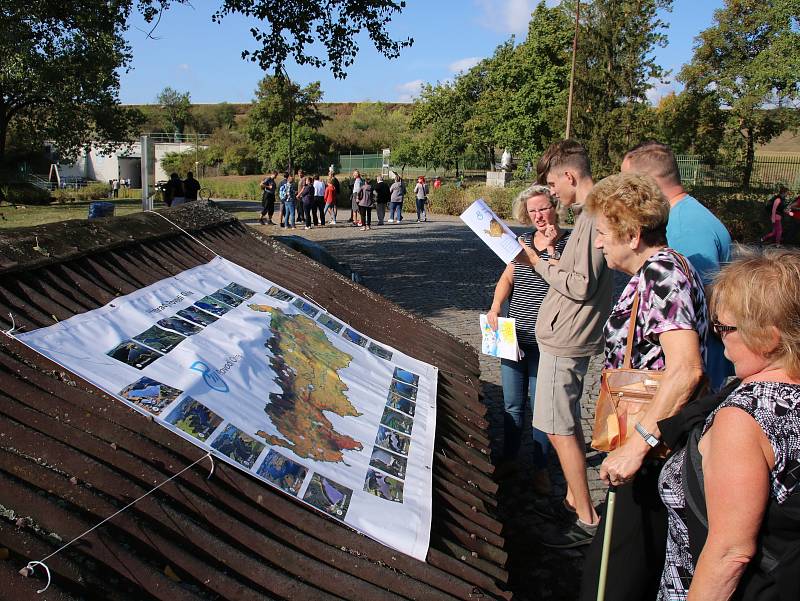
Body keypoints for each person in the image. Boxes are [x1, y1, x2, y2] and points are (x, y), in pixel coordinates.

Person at [579, 172, 709, 601]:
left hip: (652, 453)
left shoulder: (662, 274)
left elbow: (686, 369)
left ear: (632, 234)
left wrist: (636, 445)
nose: (598, 243)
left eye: (602, 233)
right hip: (648, 447)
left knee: (615, 579)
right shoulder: (663, 269)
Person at [657, 249, 800, 600]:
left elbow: (729, 555)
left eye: (724, 328)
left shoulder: (746, 416)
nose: (719, 340)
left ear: (768, 336)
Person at [517, 139, 613, 549]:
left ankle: (587, 518)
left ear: (570, 176)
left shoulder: (592, 217)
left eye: (554, 185)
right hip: (566, 333)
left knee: (558, 429)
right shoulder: (589, 215)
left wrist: (539, 263)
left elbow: (580, 284)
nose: (552, 193)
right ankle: (574, 499)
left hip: (567, 337)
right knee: (562, 422)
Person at [621, 140, 732, 392]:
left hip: (692, 374)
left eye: (627, 183)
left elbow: (687, 308)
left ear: (646, 183)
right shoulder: (692, 214)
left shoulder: (681, 227)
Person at [487, 185, 570, 493]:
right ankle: (509, 459)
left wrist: (548, 251)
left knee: (541, 406)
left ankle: (540, 468)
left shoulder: (570, 242)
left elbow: (567, 283)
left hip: (547, 339)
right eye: (532, 211)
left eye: (543, 208)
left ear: (555, 208)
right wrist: (496, 306)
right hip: (514, 335)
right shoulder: (521, 242)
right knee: (511, 404)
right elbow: (508, 278)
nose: (538, 215)